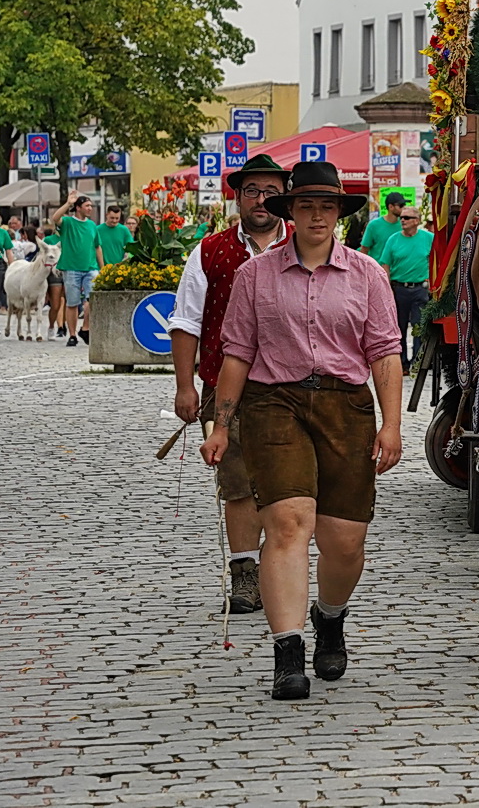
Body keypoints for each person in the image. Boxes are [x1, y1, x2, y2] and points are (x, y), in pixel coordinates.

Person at [199, 160, 403, 701]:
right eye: (307, 206)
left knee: (344, 542)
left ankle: (329, 617)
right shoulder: (255, 275)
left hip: (345, 406)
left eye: (327, 206)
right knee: (289, 524)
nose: (317, 215)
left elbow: (384, 352)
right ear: (289, 213)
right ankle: (287, 651)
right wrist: (221, 427)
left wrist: (393, 426)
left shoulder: (367, 274)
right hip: (274, 404)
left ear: (339, 213)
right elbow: (237, 355)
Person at [171, 153, 291, 616]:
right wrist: (186, 386)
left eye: (271, 192)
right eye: (253, 191)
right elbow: (186, 322)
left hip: (293, 386)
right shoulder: (209, 251)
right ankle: (244, 576)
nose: (262, 200)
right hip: (228, 390)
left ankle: (278, 568)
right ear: (237, 198)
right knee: (238, 483)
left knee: (286, 484)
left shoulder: (305, 245)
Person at [377, 205, 434, 373]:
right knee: (399, 327)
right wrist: (387, 287)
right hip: (399, 288)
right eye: (402, 217)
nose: (402, 220)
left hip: (420, 288)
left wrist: (432, 280)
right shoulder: (393, 239)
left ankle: (417, 360)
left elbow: (436, 260)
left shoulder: (428, 238)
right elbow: (385, 264)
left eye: (407, 218)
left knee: (418, 326)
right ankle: (402, 363)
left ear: (417, 221)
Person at [49, 192, 101, 347]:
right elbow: (55, 218)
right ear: (78, 208)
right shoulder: (68, 222)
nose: (90, 208)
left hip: (91, 267)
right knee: (72, 303)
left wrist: (103, 267)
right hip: (71, 268)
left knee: (93, 299)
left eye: (91, 205)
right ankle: (72, 334)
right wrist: (67, 204)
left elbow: (97, 246)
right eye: (87, 206)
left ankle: (85, 328)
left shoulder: (92, 225)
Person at [359, 192, 403, 262]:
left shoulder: (403, 225)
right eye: (401, 205)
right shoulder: (374, 225)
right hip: (378, 269)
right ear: (391, 207)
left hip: (397, 270)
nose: (403, 208)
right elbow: (364, 250)